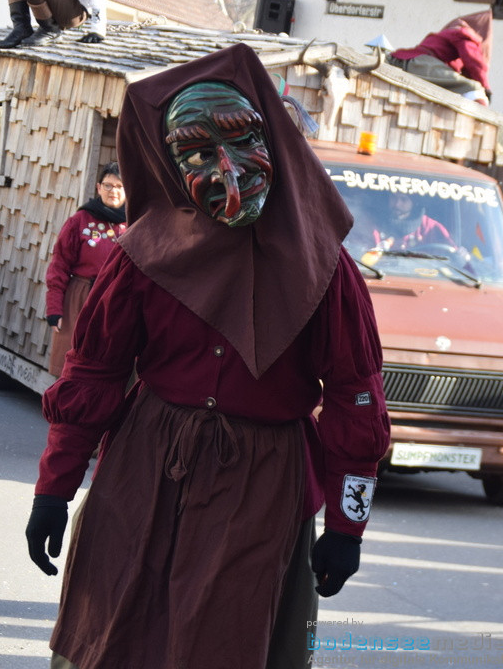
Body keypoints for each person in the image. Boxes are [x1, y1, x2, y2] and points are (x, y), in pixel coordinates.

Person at [24, 43, 390, 669]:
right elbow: (93, 375)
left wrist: (347, 526)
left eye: (241, 139)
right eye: (195, 153)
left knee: (228, 641)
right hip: (145, 469)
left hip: (264, 483)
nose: (225, 168)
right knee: (117, 632)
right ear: (169, 166)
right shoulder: (143, 257)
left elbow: (357, 400)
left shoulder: (325, 272)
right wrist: (52, 488)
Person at [43, 161, 126, 377]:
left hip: (116, 301)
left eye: (119, 186)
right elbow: (59, 266)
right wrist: (54, 309)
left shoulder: (136, 224)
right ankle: (65, 409)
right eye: (108, 185)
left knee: (107, 365)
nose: (113, 191)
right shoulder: (80, 221)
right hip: (79, 299)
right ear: (98, 187)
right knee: (72, 360)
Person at [389, 10, 492, 105]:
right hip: (423, 65)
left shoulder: (447, 34)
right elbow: (474, 62)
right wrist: (485, 88)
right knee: (474, 89)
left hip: (404, 61)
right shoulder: (463, 34)